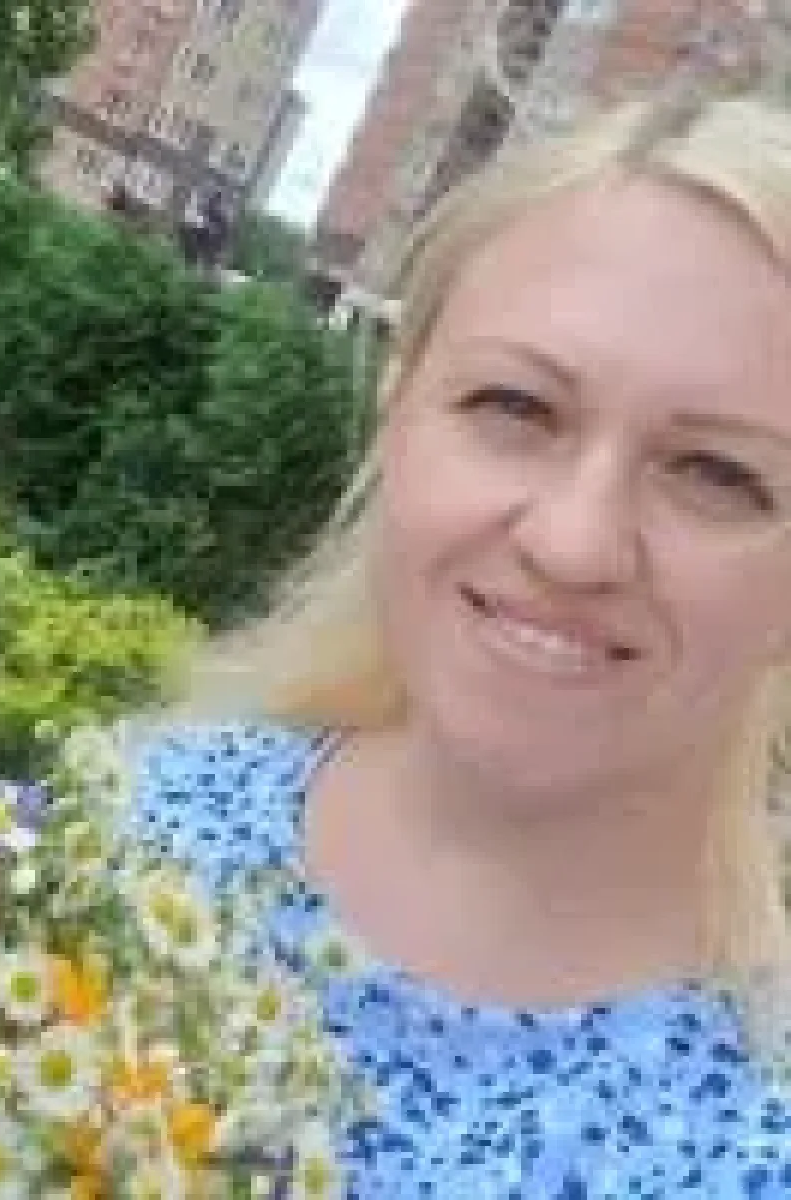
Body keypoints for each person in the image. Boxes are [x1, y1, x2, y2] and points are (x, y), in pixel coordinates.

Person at [129, 90, 791, 1197]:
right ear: (397, 409)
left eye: (719, 475)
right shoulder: (122, 835)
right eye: (518, 407)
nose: (575, 544)